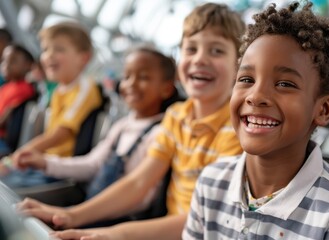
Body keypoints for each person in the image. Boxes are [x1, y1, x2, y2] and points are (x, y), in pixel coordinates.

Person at [18, 3, 244, 239]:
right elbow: (138, 182)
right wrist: (71, 215)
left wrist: (115, 234)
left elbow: (203, 219)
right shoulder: (177, 116)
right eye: (191, 49)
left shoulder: (235, 129)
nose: (200, 59)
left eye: (216, 51)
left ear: (238, 65)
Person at [183, 2, 329, 239]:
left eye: (284, 84)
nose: (255, 96)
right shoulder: (210, 183)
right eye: (246, 79)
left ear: (324, 109)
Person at [12, 46, 178, 209]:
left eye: (143, 77)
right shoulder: (122, 126)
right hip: (91, 210)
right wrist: (44, 163)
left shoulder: (160, 133)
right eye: (127, 76)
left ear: (166, 88)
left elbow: (142, 198)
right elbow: (92, 164)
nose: (131, 84)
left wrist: (77, 214)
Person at [0, 22, 102, 188]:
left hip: (61, 172)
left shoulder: (85, 88)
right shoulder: (60, 90)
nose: (49, 56)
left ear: (84, 58)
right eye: (46, 49)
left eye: (59, 49)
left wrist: (15, 158)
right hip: (44, 163)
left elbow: (60, 134)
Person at [0, 44, 36, 156]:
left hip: (4, 143)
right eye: (4, 61)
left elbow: (3, 120)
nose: (6, 65)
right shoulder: (5, 87)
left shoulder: (25, 89)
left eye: (13, 61)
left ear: (28, 65)